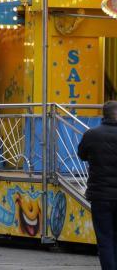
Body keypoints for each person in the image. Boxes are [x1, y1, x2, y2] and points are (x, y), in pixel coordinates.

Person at [78, 101, 117, 269]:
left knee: (105, 238)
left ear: (104, 115)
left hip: (100, 196)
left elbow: (82, 155)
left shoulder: (91, 134)